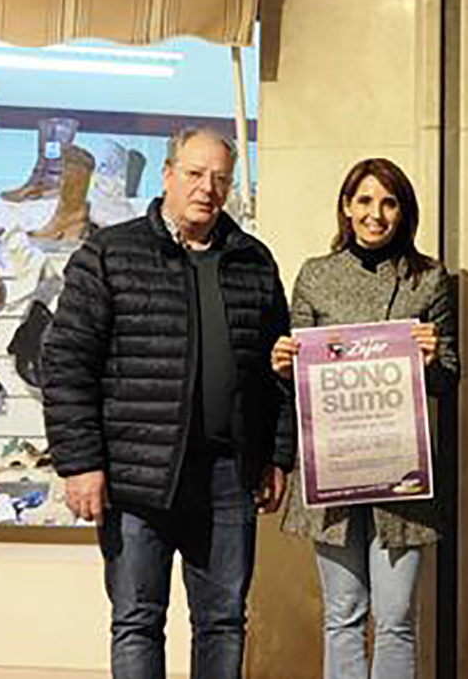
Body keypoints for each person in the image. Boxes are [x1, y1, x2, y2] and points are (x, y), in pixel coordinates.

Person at [40, 126, 293, 679]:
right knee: (137, 620)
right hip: (137, 476)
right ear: (168, 175)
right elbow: (66, 362)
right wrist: (80, 463)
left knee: (223, 622)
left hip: (228, 476)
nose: (208, 188)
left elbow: (279, 370)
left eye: (220, 178)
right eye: (196, 174)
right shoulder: (110, 253)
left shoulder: (254, 261)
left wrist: (277, 454)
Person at [271, 158, 458, 679]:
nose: (376, 214)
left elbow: (449, 378)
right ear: (346, 207)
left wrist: (431, 361)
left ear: (404, 212)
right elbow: (298, 382)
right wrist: (283, 366)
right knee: (343, 614)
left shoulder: (429, 278)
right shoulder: (315, 275)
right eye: (365, 200)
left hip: (401, 471)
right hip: (332, 466)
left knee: (396, 618)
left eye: (389, 202)